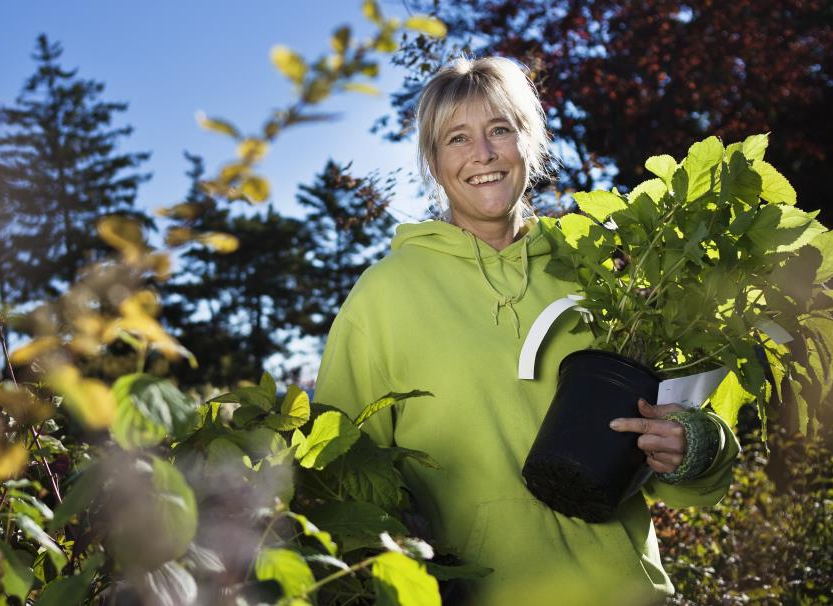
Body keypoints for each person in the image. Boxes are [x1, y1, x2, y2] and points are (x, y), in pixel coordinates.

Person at [312, 56, 739, 604]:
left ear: (528, 143)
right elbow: (338, 476)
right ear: (433, 162)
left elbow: (689, 427)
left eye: (499, 130)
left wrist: (693, 445)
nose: (483, 154)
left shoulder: (600, 270)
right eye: (457, 138)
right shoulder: (384, 296)